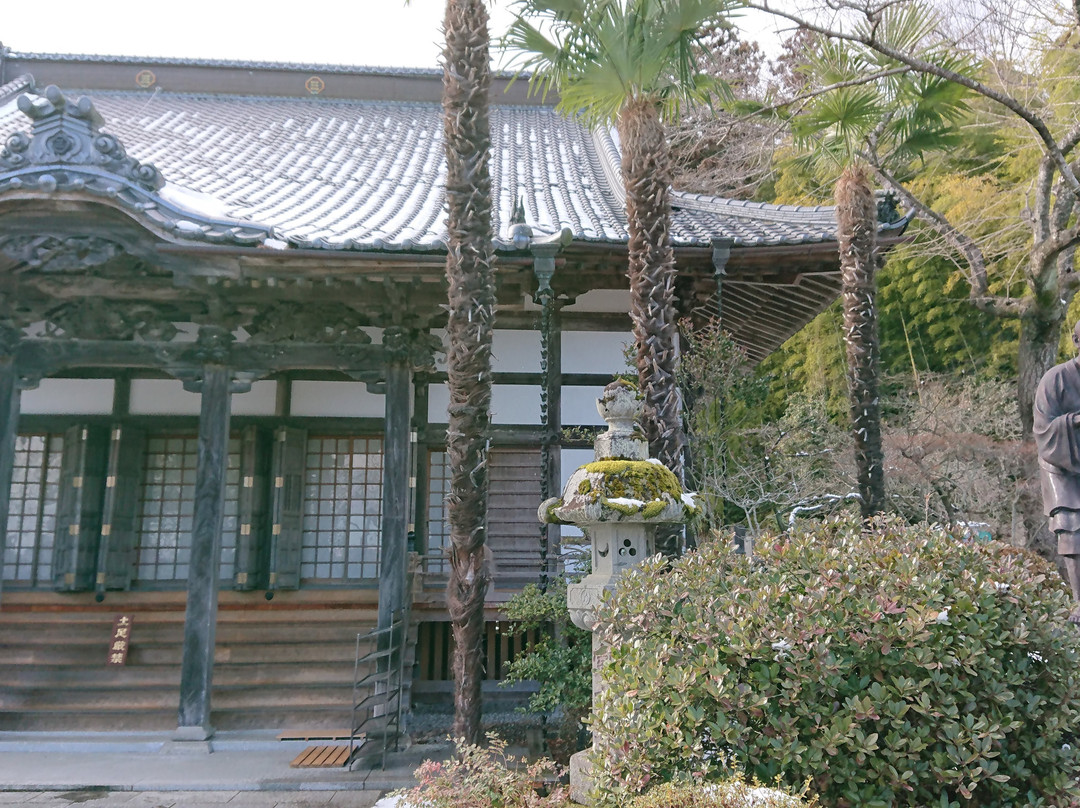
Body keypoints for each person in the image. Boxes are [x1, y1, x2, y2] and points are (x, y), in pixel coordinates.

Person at [1033, 320, 1080, 621]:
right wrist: (1075, 421)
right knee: (1073, 528)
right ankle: (1079, 601)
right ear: (1076, 341)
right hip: (1059, 464)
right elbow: (1044, 430)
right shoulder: (1056, 379)